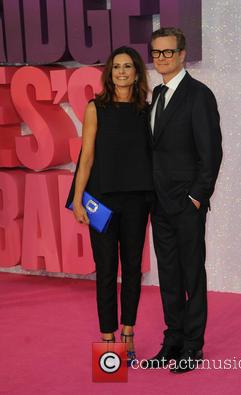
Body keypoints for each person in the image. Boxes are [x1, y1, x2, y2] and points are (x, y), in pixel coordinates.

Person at [65, 46, 153, 365]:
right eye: (116, 67)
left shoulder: (146, 108)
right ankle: (108, 340)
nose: (121, 72)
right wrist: (77, 199)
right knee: (105, 271)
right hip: (100, 201)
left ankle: (128, 332)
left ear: (136, 72)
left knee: (132, 268)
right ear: (110, 72)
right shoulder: (95, 107)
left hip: (138, 200)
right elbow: (86, 156)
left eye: (127, 66)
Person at [143, 27, 223, 373]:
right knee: (169, 275)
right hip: (158, 204)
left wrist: (197, 197)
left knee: (192, 275)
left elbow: (211, 153)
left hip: (186, 203)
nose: (161, 58)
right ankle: (172, 341)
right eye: (156, 52)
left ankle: (193, 346)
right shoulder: (156, 96)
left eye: (167, 52)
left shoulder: (198, 95)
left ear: (182, 54)